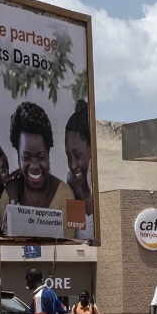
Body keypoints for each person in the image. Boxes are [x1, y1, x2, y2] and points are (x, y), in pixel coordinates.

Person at [0, 101, 76, 239]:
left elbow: (68, 243)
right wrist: (14, 201)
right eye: (26, 157)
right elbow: (5, 245)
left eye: (41, 157)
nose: (34, 166)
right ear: (18, 159)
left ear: (48, 156)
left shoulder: (66, 195)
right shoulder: (7, 196)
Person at [64, 100, 94, 241]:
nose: (73, 165)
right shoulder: (72, 182)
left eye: (77, 155)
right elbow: (74, 232)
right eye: (69, 157)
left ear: (91, 150)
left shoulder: (101, 186)